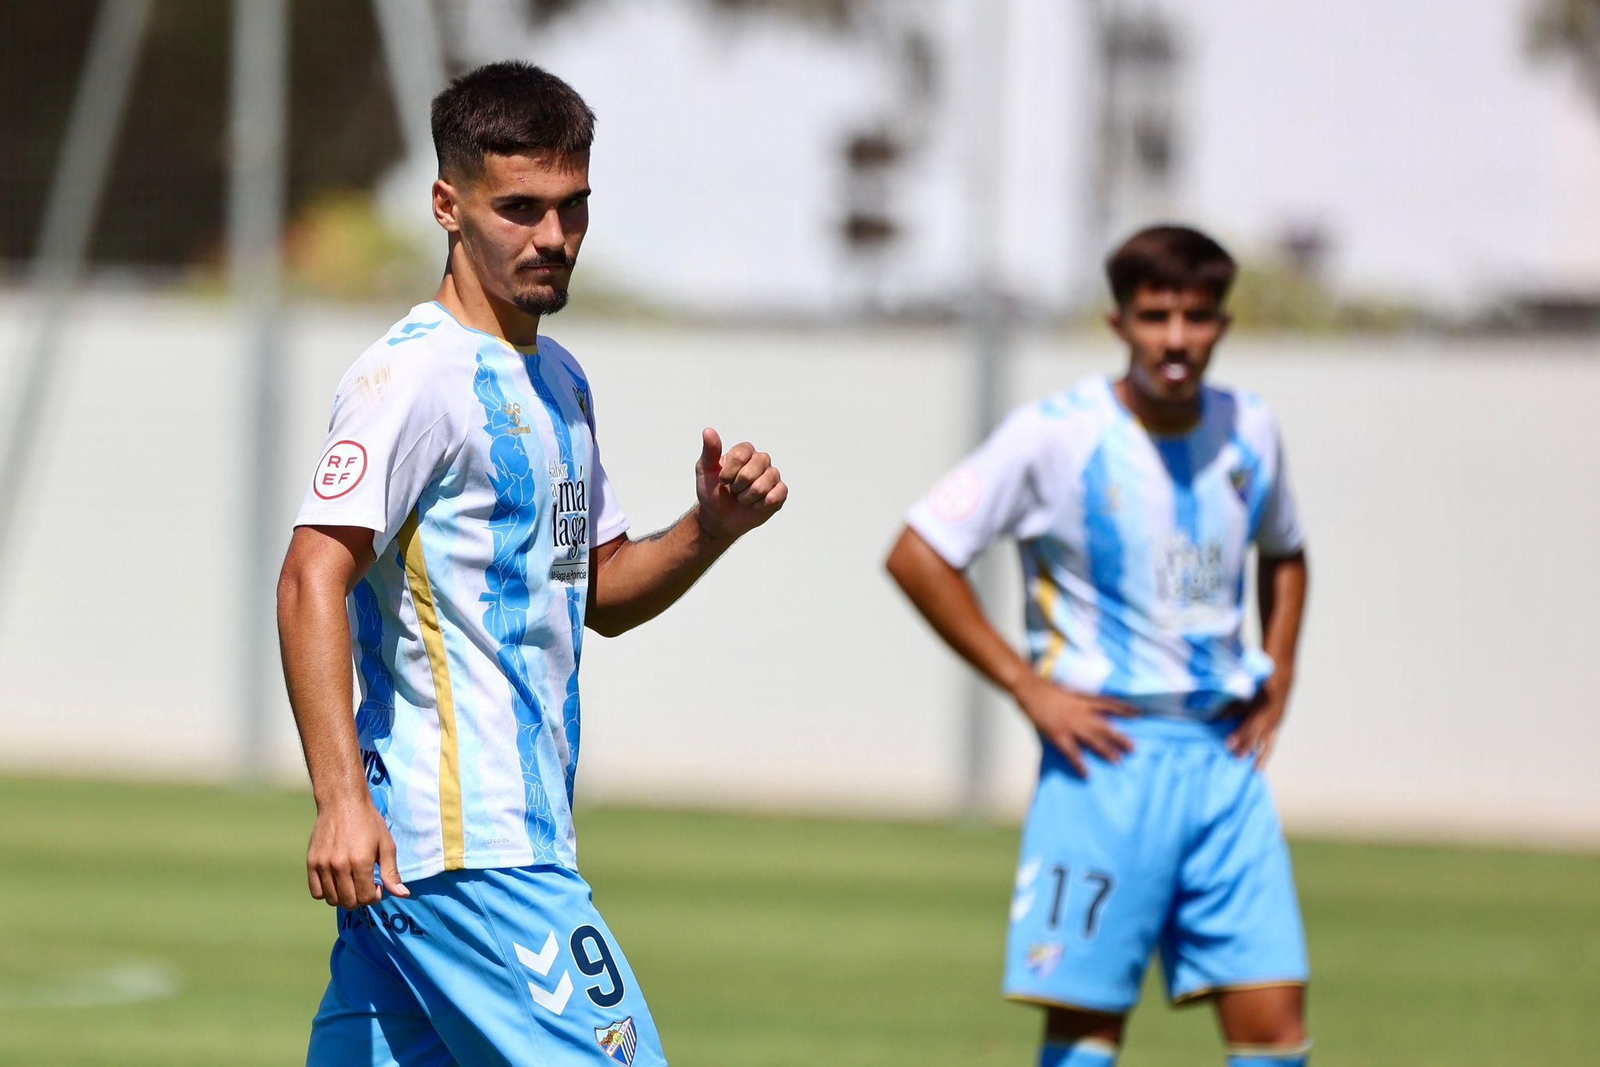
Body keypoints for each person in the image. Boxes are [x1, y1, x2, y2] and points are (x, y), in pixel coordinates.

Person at [277, 61, 786, 1066]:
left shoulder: (557, 380)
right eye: (519, 208)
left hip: (456, 854)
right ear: (446, 206)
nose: (552, 237)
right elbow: (311, 577)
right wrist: (339, 799)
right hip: (471, 848)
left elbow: (595, 590)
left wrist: (708, 526)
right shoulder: (412, 377)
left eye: (571, 208)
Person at [886, 225, 1311, 1067]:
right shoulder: (1056, 436)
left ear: (1223, 322)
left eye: (1197, 315)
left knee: (1276, 1027)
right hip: (1106, 757)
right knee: (1086, 1032)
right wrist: (1027, 685)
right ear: (1119, 322)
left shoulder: (1250, 429)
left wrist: (1281, 669)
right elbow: (918, 551)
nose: (1178, 338)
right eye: (1157, 315)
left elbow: (1286, 550)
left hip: (1224, 761)